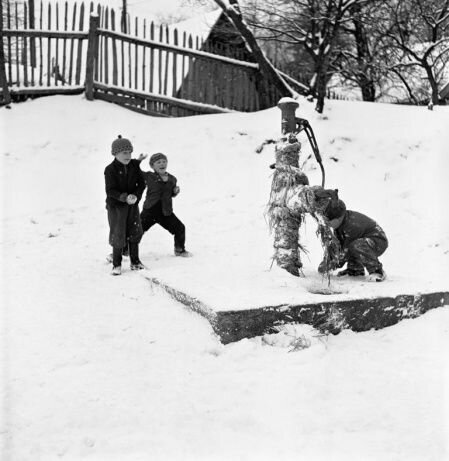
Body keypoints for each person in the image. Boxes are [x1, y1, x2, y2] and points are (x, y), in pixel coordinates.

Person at [104, 135, 146, 275]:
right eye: (124, 153)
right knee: (118, 233)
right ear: (115, 154)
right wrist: (124, 197)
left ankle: (135, 261)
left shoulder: (134, 166)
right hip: (116, 207)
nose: (128, 156)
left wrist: (136, 196)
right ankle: (116, 264)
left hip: (132, 204)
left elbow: (141, 184)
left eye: (129, 152)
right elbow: (110, 190)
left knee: (135, 231)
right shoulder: (110, 169)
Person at [319, 198, 388, 282]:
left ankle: (377, 271)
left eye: (329, 221)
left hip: (378, 241)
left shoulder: (351, 226)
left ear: (338, 219)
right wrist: (327, 261)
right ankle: (355, 269)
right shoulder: (340, 224)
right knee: (353, 244)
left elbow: (345, 251)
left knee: (356, 245)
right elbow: (339, 245)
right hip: (362, 240)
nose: (327, 224)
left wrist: (332, 264)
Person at [140, 153, 190, 257]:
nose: (162, 164)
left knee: (180, 228)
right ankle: (122, 251)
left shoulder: (172, 179)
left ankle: (180, 250)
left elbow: (170, 194)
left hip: (165, 212)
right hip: (149, 211)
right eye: (158, 162)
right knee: (136, 231)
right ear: (152, 166)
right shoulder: (149, 176)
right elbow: (136, 171)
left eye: (164, 161)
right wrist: (139, 160)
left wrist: (175, 192)